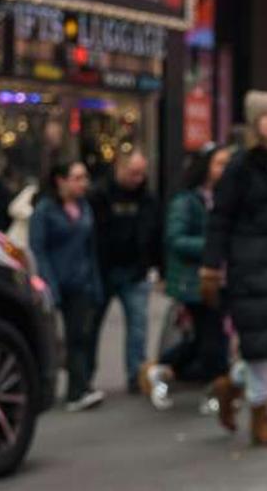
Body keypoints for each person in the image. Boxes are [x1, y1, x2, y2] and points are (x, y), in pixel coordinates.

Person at [200, 91, 267, 447]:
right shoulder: (240, 166)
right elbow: (220, 219)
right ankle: (261, 418)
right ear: (254, 122)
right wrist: (211, 268)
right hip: (249, 266)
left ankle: (230, 384)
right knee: (259, 344)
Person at [144, 145, 235, 413]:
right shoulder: (186, 201)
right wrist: (213, 246)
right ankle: (214, 391)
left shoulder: (222, 197)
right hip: (194, 282)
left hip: (219, 279)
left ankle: (160, 369)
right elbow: (175, 239)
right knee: (211, 339)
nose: (225, 169)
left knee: (204, 339)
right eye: (219, 163)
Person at [30, 159, 105, 411]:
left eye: (84, 177)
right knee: (53, 339)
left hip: (81, 281)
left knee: (80, 336)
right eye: (77, 178)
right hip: (55, 281)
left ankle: (79, 388)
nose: (83, 183)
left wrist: (94, 282)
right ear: (60, 180)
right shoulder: (45, 210)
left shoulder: (84, 208)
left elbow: (91, 248)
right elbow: (38, 249)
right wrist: (49, 284)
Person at [91, 150, 161, 395]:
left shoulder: (147, 198)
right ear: (119, 169)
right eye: (133, 173)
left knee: (138, 326)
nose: (138, 178)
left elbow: (154, 233)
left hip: (135, 270)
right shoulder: (99, 194)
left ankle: (136, 375)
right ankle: (85, 378)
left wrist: (156, 266)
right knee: (91, 326)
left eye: (141, 173)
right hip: (104, 270)